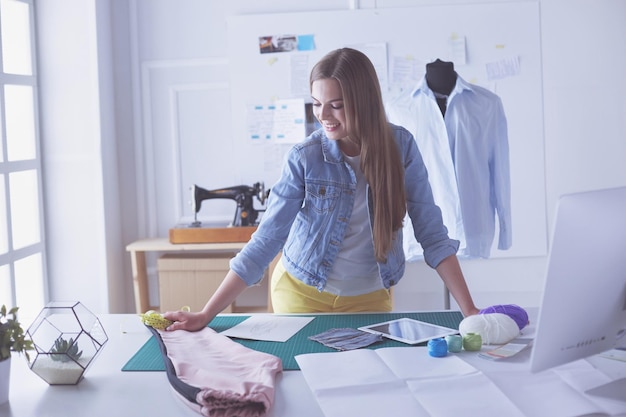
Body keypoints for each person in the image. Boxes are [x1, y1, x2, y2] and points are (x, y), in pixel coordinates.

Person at [164, 48, 479, 332]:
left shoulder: (401, 147)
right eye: (316, 104)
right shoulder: (305, 157)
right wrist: (207, 314)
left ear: (364, 103)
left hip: (368, 299)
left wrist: (470, 311)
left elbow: (433, 234)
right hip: (301, 293)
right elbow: (267, 239)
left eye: (336, 106)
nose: (323, 116)